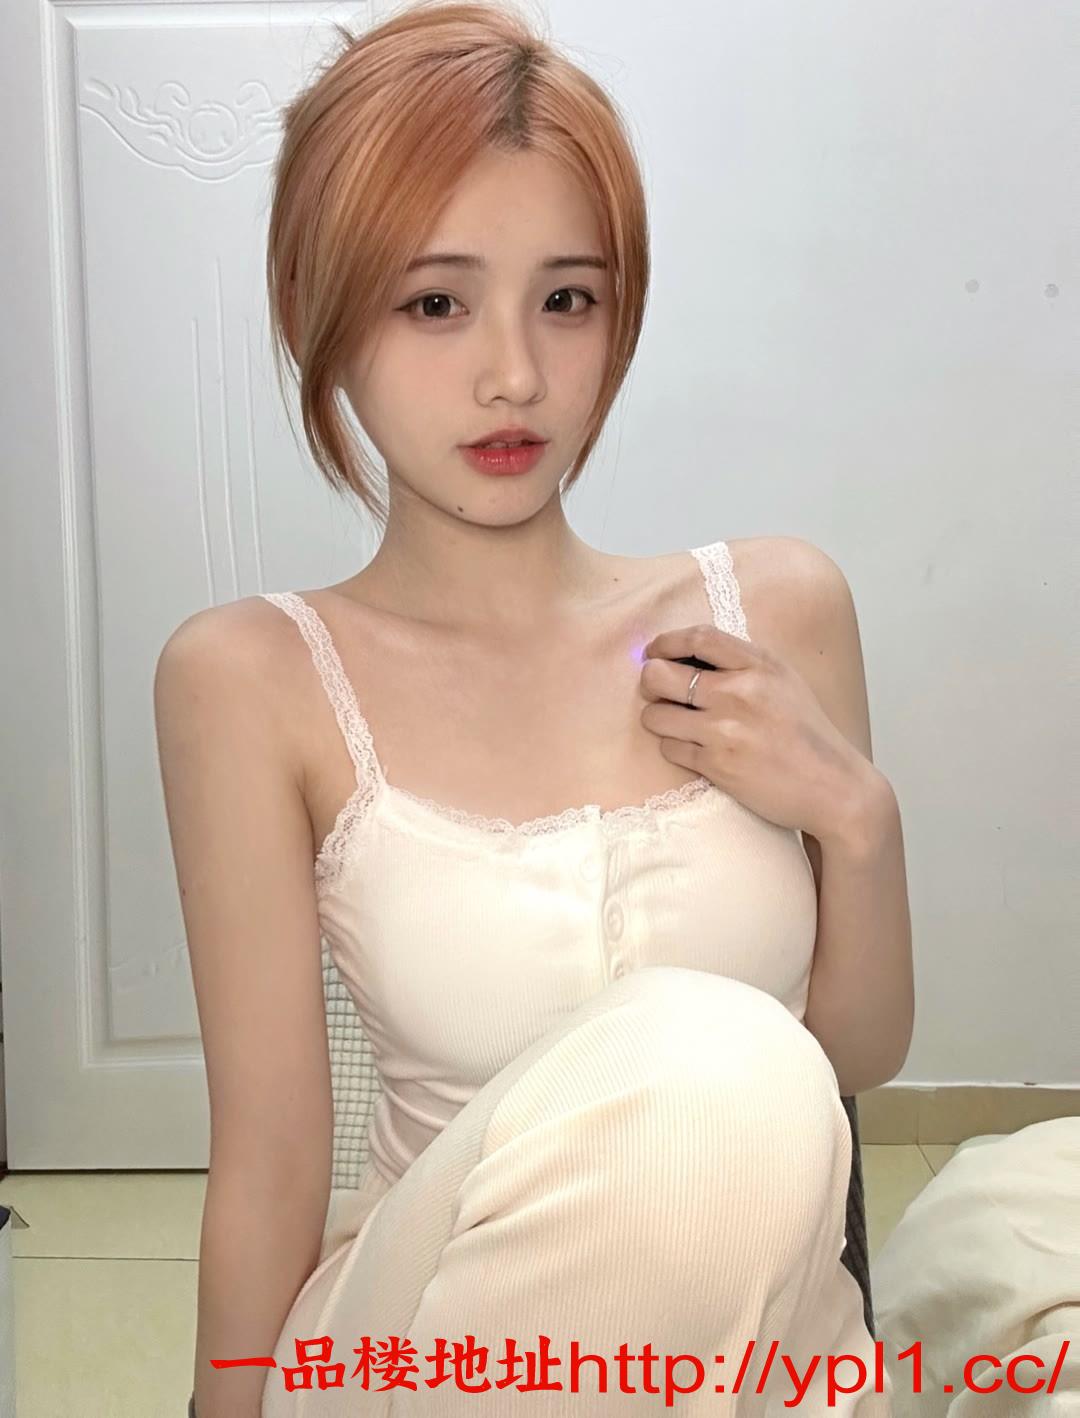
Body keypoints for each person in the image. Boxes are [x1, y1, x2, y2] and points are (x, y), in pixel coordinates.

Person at [154, 2, 913, 1413]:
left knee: (772, 1092)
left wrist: (859, 821)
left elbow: (852, 1062)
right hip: (431, 1335)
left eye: (567, 300)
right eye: (434, 302)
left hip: (752, 1340)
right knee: (720, 1055)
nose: (513, 375)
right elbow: (270, 1158)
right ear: (318, 315)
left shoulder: (774, 612)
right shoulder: (252, 677)